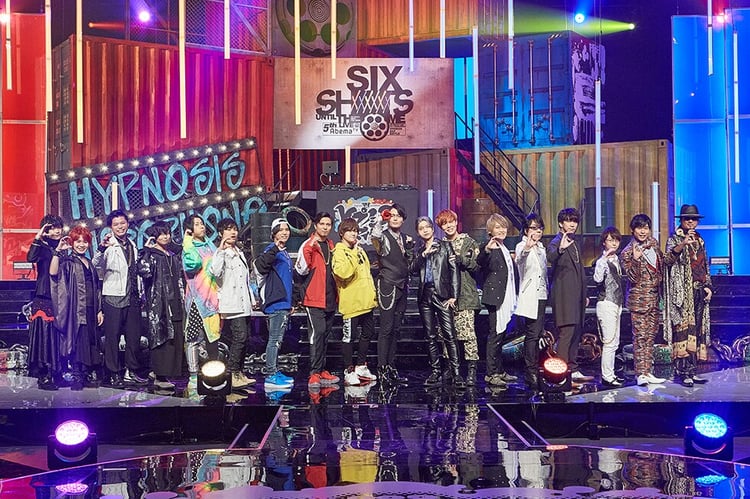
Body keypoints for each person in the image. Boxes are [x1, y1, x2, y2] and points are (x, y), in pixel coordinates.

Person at [92, 209, 147, 388]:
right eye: (116, 224)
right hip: (113, 296)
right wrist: (101, 248)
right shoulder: (108, 245)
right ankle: (114, 373)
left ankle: (131, 371)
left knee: (133, 337)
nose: (120, 227)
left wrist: (141, 293)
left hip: (133, 297)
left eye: (122, 223)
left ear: (128, 224)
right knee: (112, 338)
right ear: (111, 227)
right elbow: (95, 265)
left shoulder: (132, 244)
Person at [49, 226, 104, 390]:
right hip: (76, 309)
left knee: (89, 341)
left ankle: (85, 374)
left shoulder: (89, 262)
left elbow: (96, 287)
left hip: (91, 307)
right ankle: (77, 376)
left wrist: (99, 310)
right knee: (78, 342)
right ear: (72, 243)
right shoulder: (68, 261)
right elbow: (53, 273)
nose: (81, 245)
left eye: (84, 241)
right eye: (78, 241)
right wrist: (58, 251)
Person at [664, 204, 712, 387]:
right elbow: (667, 260)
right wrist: (682, 244)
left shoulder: (700, 240)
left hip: (699, 290)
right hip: (682, 293)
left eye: (693, 219)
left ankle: (692, 371)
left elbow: (705, 266)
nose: (690, 222)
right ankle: (683, 372)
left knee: (697, 331)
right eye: (687, 219)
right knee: (683, 331)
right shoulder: (674, 238)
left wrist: (708, 287)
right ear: (681, 221)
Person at [413, 216, 463, 388]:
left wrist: (454, 295)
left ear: (433, 229)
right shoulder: (419, 251)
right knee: (430, 336)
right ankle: (435, 371)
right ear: (418, 232)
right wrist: (423, 255)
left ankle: (456, 374)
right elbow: (412, 269)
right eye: (421, 228)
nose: (425, 230)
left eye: (427, 227)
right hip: (424, 296)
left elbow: (454, 271)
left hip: (442, 295)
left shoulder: (445, 246)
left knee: (449, 335)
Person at [137, 222, 185, 391]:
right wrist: (147, 250)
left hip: (175, 301)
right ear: (154, 236)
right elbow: (144, 271)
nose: (166, 236)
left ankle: (162, 372)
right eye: (162, 234)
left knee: (175, 337)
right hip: (160, 303)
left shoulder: (172, 255)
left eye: (167, 233)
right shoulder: (151, 255)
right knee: (162, 337)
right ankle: (159, 375)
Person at [620, 214, 667, 386]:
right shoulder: (627, 252)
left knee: (650, 336)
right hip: (639, 301)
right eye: (639, 228)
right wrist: (636, 259)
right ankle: (640, 373)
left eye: (645, 228)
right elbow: (632, 277)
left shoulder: (653, 243)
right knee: (640, 337)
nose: (643, 231)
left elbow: (662, 265)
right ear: (633, 230)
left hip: (655, 299)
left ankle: (648, 371)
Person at [295, 212, 341, 390]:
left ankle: (322, 370)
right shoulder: (308, 244)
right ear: (316, 225)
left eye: (328, 224)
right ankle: (314, 373)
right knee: (317, 333)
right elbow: (301, 270)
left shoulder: (331, 245)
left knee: (325, 334)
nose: (325, 227)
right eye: (322, 224)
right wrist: (309, 249)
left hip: (329, 297)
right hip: (314, 298)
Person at [209, 218, 255, 390]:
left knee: (246, 338)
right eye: (228, 229)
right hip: (232, 303)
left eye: (234, 229)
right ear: (221, 233)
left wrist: (252, 299)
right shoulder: (220, 253)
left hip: (244, 302)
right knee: (239, 337)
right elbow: (215, 271)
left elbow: (245, 280)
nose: (233, 232)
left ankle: (239, 372)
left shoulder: (239, 251)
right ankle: (231, 373)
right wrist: (220, 251)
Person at [436, 209, 481, 386]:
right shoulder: (440, 245)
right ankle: (450, 368)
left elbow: (477, 266)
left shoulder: (468, 242)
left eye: (451, 222)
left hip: (465, 295)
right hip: (444, 297)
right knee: (446, 335)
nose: (448, 226)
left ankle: (471, 371)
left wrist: (462, 259)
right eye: (444, 223)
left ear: (456, 222)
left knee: (468, 335)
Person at [370, 203, 414, 385]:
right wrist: (381, 220)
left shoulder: (405, 238)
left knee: (396, 329)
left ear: (403, 219)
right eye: (392, 215)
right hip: (388, 285)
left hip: (403, 286)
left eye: (398, 215)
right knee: (386, 329)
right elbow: (375, 237)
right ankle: (382, 369)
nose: (395, 218)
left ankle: (391, 367)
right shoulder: (384, 236)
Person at [332, 218, 379, 387]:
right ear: (342, 233)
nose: (354, 233)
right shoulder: (339, 252)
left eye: (356, 230)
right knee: (349, 338)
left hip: (366, 302)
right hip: (351, 303)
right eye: (350, 230)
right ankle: (348, 370)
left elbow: (367, 273)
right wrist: (353, 254)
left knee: (368, 334)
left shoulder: (359, 250)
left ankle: (360, 366)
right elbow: (344, 273)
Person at [547, 207, 592, 382]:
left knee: (575, 332)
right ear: (561, 223)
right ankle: (560, 374)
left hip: (577, 296)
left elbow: (579, 272)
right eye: (568, 221)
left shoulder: (574, 242)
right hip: (564, 296)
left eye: (574, 221)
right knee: (566, 333)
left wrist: (584, 294)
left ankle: (572, 369)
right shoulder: (557, 241)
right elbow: (550, 256)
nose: (572, 224)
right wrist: (560, 249)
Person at [182, 214, 222, 397]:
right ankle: (193, 375)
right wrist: (188, 241)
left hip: (212, 299)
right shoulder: (189, 248)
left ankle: (213, 375)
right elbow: (194, 264)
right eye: (197, 224)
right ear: (190, 229)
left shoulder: (209, 245)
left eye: (202, 223)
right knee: (193, 337)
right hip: (197, 299)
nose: (201, 227)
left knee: (212, 337)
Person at [253, 218, 295, 390]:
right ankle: (270, 375)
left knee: (278, 340)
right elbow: (260, 266)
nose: (284, 232)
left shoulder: (284, 252)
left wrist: (291, 302)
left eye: (286, 229)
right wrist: (275, 248)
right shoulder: (271, 249)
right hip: (276, 303)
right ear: (274, 233)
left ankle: (275, 371)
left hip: (284, 303)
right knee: (274, 340)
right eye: (281, 230)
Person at [478, 214, 517, 388]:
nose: (501, 230)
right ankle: (491, 373)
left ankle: (499, 370)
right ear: (490, 231)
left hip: (507, 294)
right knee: (495, 335)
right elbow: (480, 261)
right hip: (496, 297)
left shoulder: (504, 248)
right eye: (497, 227)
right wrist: (487, 249)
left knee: (501, 335)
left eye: (504, 227)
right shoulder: (488, 247)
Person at [26, 215, 65, 390]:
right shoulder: (41, 246)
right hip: (44, 296)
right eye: (52, 228)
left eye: (58, 227)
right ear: (46, 230)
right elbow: (30, 258)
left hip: (61, 296)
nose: (56, 231)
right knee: (45, 336)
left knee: (57, 336)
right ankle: (44, 375)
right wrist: (38, 236)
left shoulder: (64, 246)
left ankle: (57, 373)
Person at [514, 213, 548, 391]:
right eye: (534, 228)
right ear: (526, 230)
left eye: (540, 228)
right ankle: (530, 371)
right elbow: (520, 258)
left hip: (541, 294)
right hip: (530, 296)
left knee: (537, 333)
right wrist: (527, 247)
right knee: (532, 334)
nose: (537, 231)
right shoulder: (522, 246)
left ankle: (535, 368)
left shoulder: (541, 248)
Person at [592, 226, 625, 388]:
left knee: (615, 343)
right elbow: (597, 279)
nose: (614, 243)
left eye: (616, 240)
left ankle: (610, 373)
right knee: (609, 342)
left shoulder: (617, 259)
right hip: (606, 304)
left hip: (616, 304)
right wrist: (603, 260)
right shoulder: (601, 261)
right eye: (610, 240)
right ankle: (606, 376)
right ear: (604, 242)